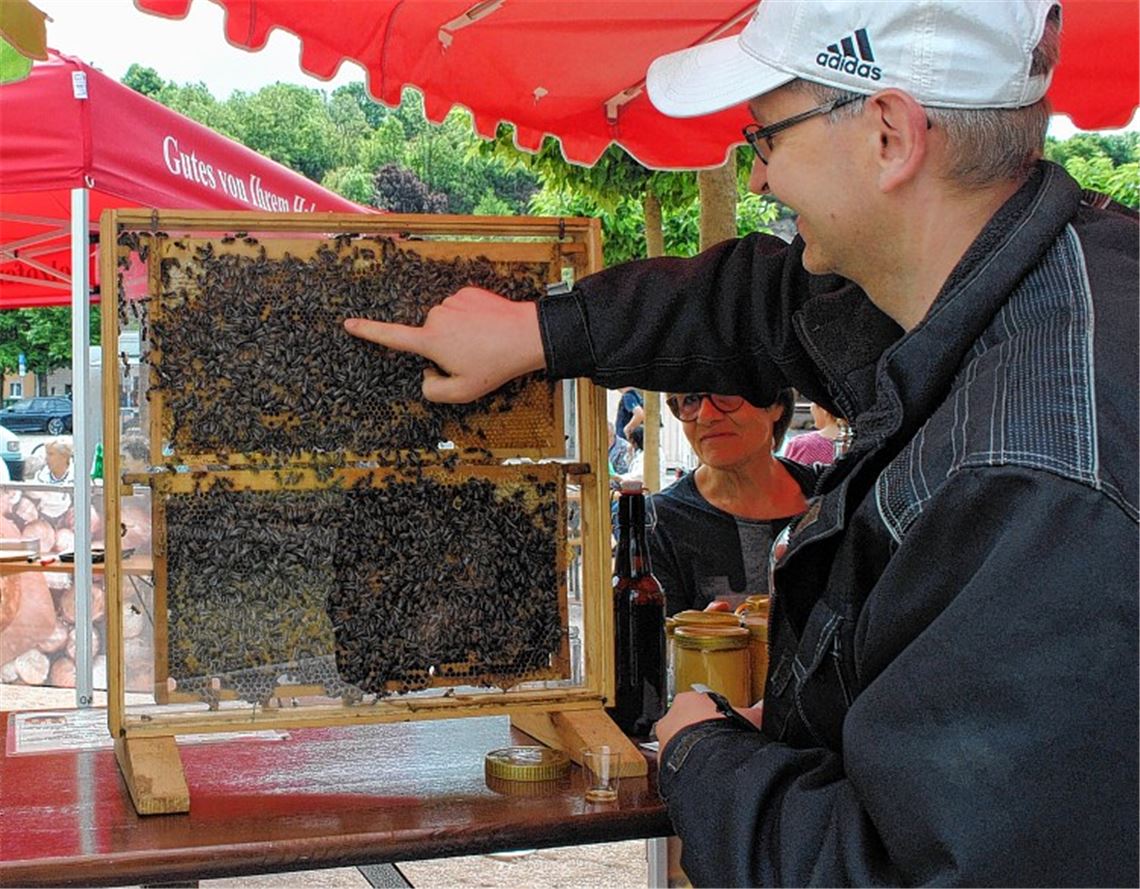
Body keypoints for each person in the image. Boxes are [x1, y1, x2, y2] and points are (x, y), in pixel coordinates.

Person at [342, 1, 1138, 883]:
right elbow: (761, 303)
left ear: (890, 135)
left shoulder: (1042, 476)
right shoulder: (1040, 273)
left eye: (766, 137)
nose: (758, 179)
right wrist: (537, 331)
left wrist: (706, 756)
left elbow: (918, 870)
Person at [651, 389, 816, 615]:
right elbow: (650, 642)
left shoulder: (830, 494)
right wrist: (690, 643)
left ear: (776, 404)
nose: (706, 415)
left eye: (725, 393)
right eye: (690, 399)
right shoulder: (657, 521)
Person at [781, 401, 844, 466]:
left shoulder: (801, 445)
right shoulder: (852, 444)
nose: (811, 408)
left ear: (824, 409)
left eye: (813, 402)